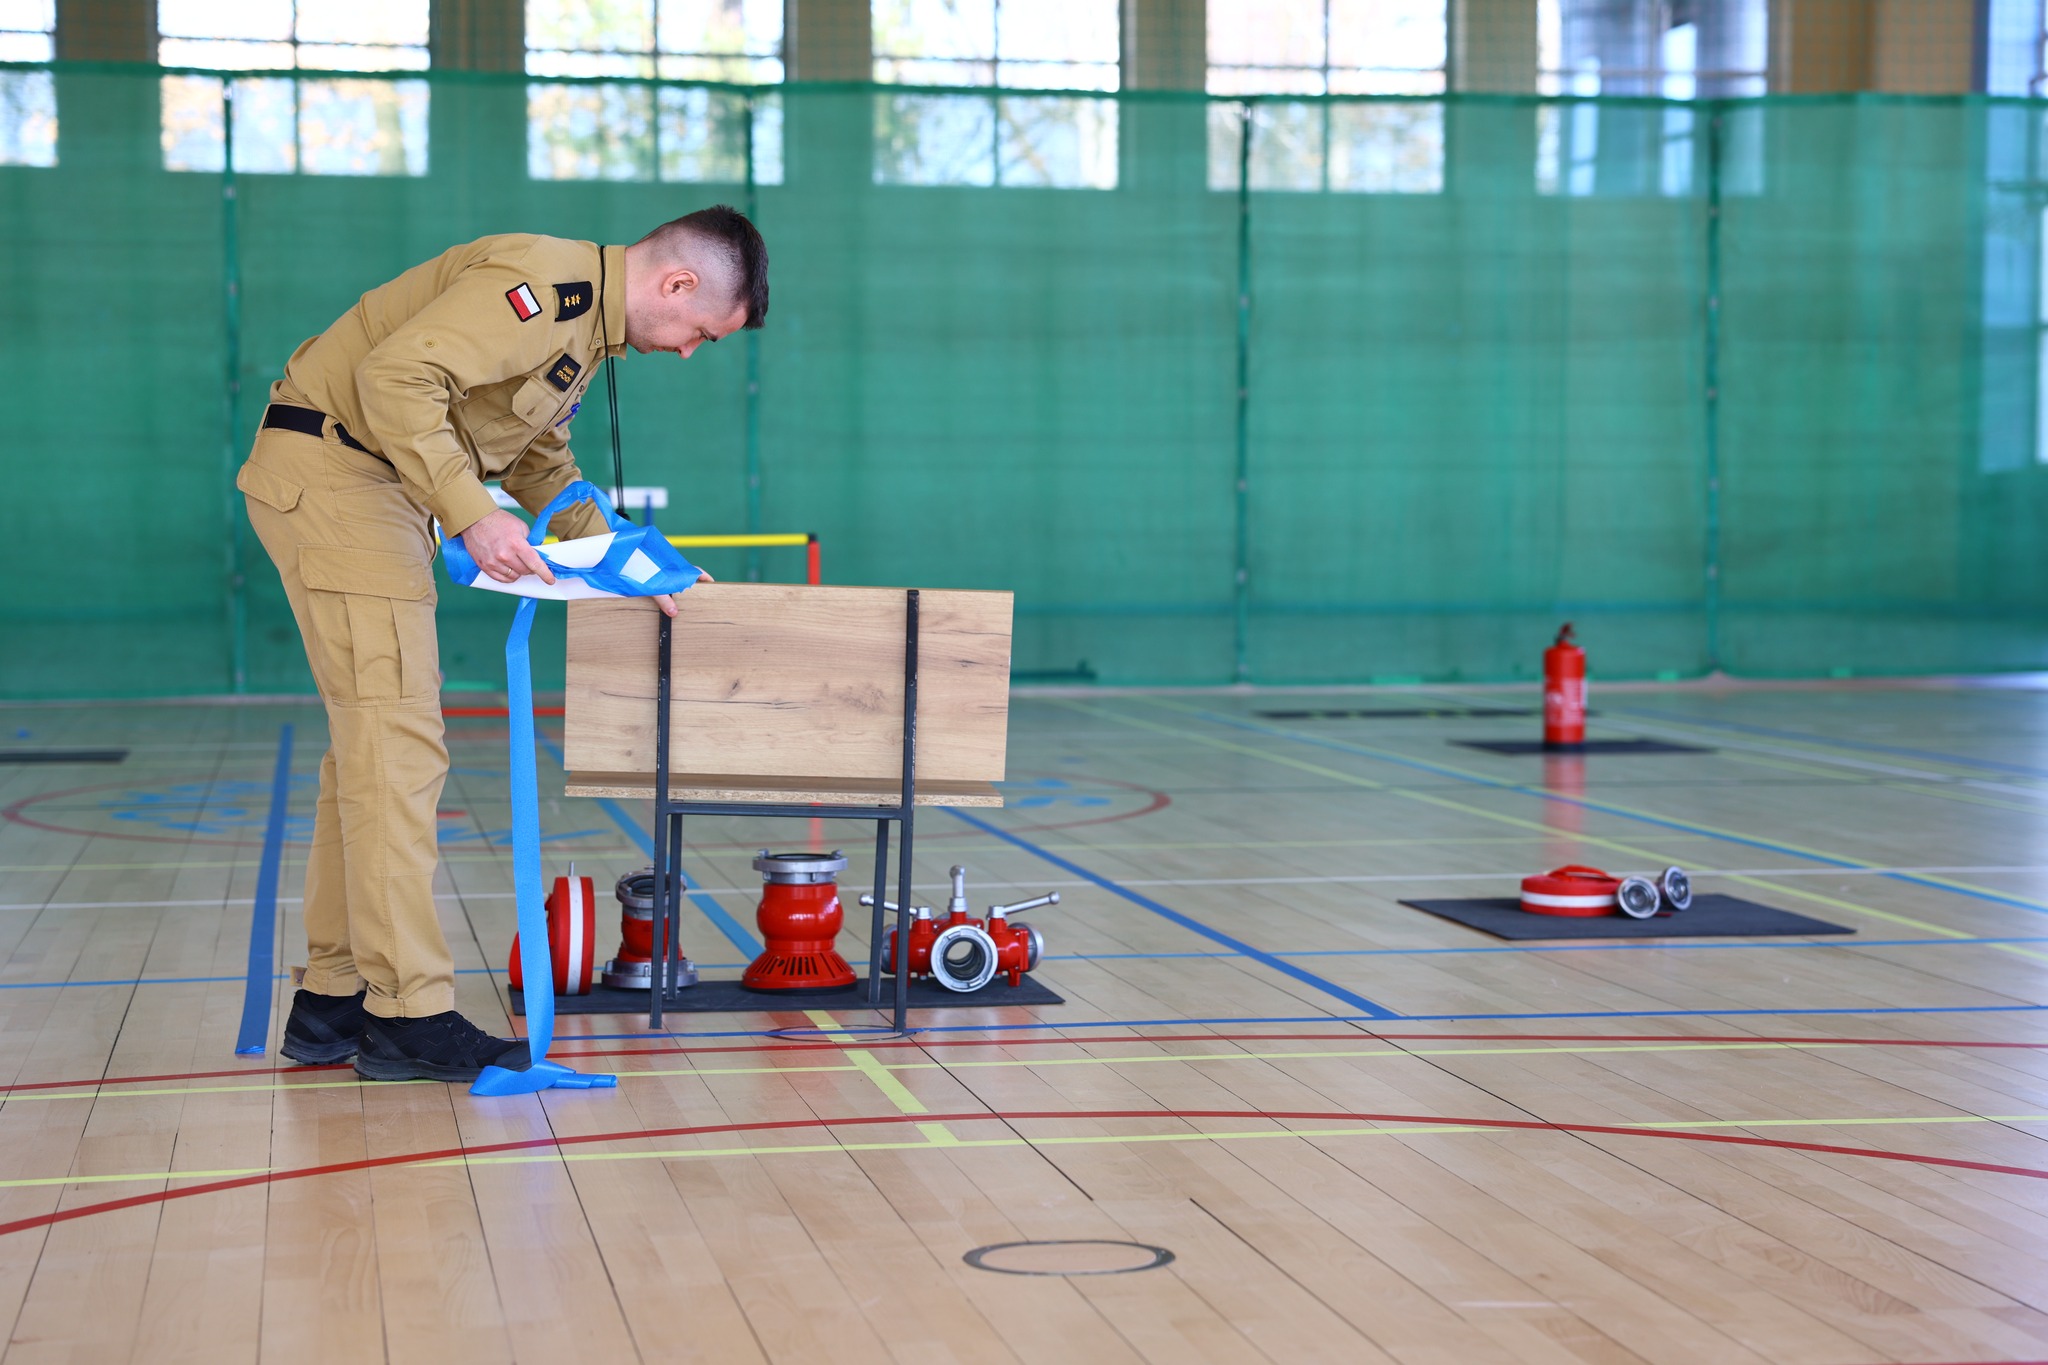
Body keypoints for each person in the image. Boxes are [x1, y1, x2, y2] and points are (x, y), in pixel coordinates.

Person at [236, 206, 769, 1082]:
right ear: (676, 284)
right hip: (343, 475)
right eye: (701, 333)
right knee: (399, 750)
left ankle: (332, 999)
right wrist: (472, 513)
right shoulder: (544, 287)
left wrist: (640, 567)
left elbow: (540, 466)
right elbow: (395, 377)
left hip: (370, 482)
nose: (686, 351)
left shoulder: (583, 332)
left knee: (371, 750)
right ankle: (407, 1012)